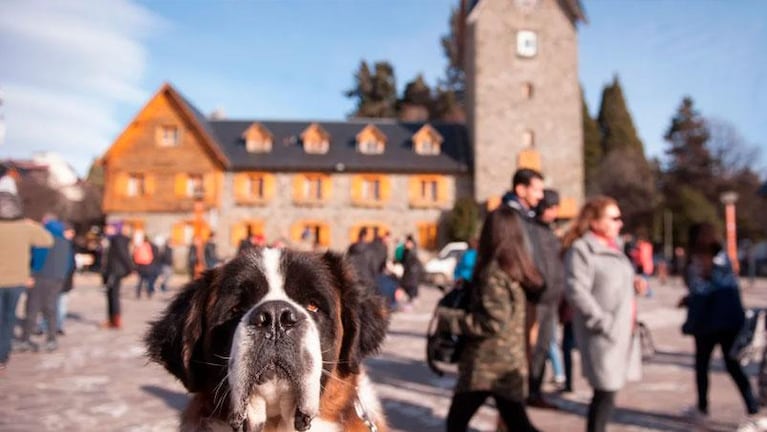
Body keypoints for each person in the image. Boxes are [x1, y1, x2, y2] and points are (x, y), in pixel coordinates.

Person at [438, 206, 543, 432]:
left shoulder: (493, 272)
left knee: (456, 423)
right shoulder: (518, 268)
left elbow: (492, 321)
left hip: (486, 365)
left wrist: (449, 318)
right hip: (511, 359)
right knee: (517, 422)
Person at [562, 195, 643, 432]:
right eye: (614, 218)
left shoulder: (613, 247)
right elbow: (576, 290)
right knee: (605, 393)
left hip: (621, 329)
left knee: (608, 394)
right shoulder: (582, 249)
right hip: (603, 333)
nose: (620, 223)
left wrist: (634, 284)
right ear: (595, 221)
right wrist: (602, 322)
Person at [679, 222, 765, 431]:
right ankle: (750, 408)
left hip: (711, 324)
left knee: (708, 367)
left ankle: (707, 408)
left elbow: (705, 292)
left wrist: (691, 312)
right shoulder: (722, 257)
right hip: (727, 322)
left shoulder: (702, 262)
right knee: (730, 366)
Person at [0, 190, 53, 369]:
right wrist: (33, 224)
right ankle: (2, 356)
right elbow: (47, 240)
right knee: (8, 319)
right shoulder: (25, 227)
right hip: (17, 280)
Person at [527, 189, 567, 404]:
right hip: (536, 300)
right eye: (552, 208)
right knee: (533, 347)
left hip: (551, 300)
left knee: (544, 346)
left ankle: (535, 389)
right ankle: (529, 390)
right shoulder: (531, 231)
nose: (555, 212)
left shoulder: (551, 233)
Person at [17, 216, 73, 352]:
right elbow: (70, 263)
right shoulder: (66, 242)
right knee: (51, 309)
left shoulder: (43, 240)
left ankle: (25, 339)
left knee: (32, 309)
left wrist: (31, 274)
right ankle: (52, 340)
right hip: (57, 279)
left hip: (40, 278)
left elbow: (37, 260)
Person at [102, 222, 133, 329]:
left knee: (113, 296)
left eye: (109, 227)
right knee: (110, 295)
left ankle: (115, 320)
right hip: (110, 271)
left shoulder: (117, 239)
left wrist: (130, 269)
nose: (106, 229)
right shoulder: (110, 239)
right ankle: (111, 319)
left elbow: (123, 255)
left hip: (115, 272)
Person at [399, 235, 423, 302]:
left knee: (411, 293)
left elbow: (413, 266)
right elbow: (403, 261)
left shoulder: (413, 252)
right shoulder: (406, 251)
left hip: (411, 277)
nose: (406, 244)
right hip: (407, 275)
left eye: (408, 242)